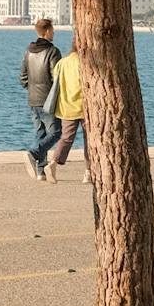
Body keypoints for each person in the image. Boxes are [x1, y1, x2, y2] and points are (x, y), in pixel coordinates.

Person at [45, 44, 96, 206]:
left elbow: (55, 79)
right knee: (90, 140)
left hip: (66, 105)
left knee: (66, 137)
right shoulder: (84, 62)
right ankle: (88, 172)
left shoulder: (63, 62)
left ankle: (53, 162)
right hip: (84, 105)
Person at [20, 15, 63, 179]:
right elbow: (56, 77)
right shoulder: (53, 51)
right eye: (52, 30)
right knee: (56, 132)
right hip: (48, 99)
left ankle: (41, 171)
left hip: (33, 99)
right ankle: (33, 153)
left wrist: (30, 88)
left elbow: (23, 76)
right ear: (46, 31)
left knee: (40, 133)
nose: (54, 33)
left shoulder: (28, 51)